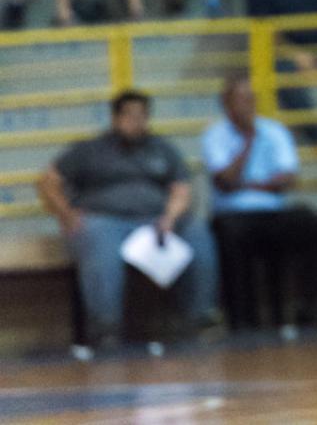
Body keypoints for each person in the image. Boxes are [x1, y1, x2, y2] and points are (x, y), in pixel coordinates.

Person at [37, 90, 219, 351]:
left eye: (142, 116)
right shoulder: (90, 150)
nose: (137, 121)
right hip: (107, 220)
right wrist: (66, 215)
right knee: (97, 236)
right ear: (115, 118)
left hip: (156, 220)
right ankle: (106, 327)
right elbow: (49, 182)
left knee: (197, 232)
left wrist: (170, 217)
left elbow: (181, 189)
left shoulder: (162, 149)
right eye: (130, 115)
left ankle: (202, 318)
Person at [202, 73, 317, 332]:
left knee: (314, 225)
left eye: (251, 99)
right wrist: (248, 142)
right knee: (231, 235)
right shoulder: (214, 135)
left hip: (273, 209)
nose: (248, 105)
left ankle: (307, 308)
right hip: (233, 214)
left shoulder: (274, 130)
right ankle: (241, 318)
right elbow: (225, 181)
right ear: (226, 104)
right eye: (241, 100)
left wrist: (248, 185)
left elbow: (287, 178)